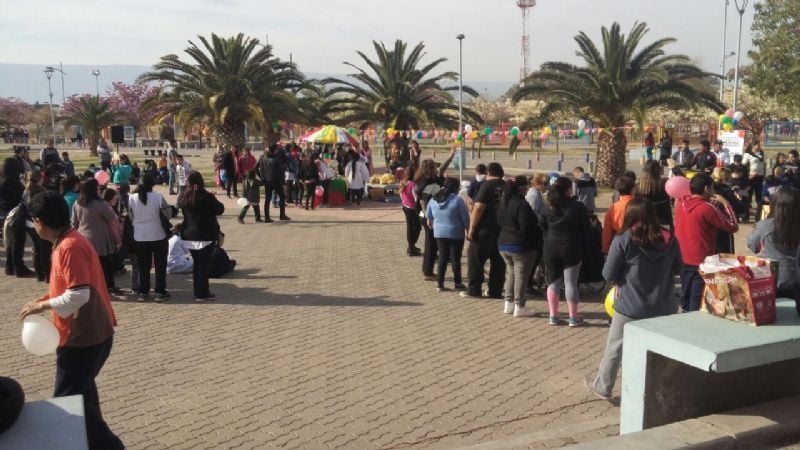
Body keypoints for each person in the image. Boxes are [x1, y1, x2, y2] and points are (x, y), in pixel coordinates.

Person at [19, 190, 124, 450]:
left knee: (65, 403)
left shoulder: (70, 246)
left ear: (40, 222)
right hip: (88, 334)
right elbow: (68, 289)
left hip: (84, 338)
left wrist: (42, 305)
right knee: (83, 400)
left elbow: (78, 295)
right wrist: (43, 301)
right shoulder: (68, 240)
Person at [584, 197, 682, 400]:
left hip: (630, 305)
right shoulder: (670, 239)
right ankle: (658, 390)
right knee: (660, 350)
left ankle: (603, 384)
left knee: (616, 345)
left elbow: (608, 274)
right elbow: (678, 269)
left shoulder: (624, 239)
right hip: (664, 305)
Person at [674, 173, 739, 312]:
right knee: (697, 299)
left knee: (686, 294)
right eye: (712, 188)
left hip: (682, 256)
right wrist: (726, 203)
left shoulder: (680, 203)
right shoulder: (707, 208)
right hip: (702, 260)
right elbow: (733, 226)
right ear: (706, 189)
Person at [541, 176, 591, 326]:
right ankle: (573, 317)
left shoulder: (548, 206)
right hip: (571, 246)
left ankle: (553, 315)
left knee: (553, 282)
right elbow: (586, 228)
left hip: (550, 245)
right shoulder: (578, 206)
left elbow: (542, 225)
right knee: (570, 283)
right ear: (569, 189)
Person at [747, 188, 800, 311]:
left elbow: (752, 244)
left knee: (768, 313)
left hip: (769, 279)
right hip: (796, 279)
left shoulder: (765, 225)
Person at [497, 175, 541, 317]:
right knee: (521, 276)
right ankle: (519, 305)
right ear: (522, 189)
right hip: (520, 245)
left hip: (503, 243)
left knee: (510, 274)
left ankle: (508, 303)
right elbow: (526, 227)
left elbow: (499, 222)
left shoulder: (503, 203)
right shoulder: (522, 205)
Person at [462, 162, 506, 299]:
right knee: (498, 262)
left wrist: (472, 228)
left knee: (476, 259)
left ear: (488, 173)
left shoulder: (486, 185)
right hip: (501, 230)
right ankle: (495, 291)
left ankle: (474, 290)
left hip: (484, 229)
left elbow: (479, 207)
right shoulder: (506, 186)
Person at [179, 172, 225, 301]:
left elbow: (180, 207)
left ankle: (198, 290)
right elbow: (220, 209)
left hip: (189, 234)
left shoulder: (183, 196)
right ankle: (202, 292)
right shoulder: (205, 196)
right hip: (205, 235)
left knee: (197, 264)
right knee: (203, 265)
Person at [71, 178, 122, 295]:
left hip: (84, 237)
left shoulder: (77, 203)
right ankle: (108, 286)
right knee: (105, 265)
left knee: (89, 266)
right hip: (101, 239)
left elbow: (74, 222)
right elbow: (111, 217)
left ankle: (93, 287)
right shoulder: (100, 204)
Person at [128, 175, 171, 302]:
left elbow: (131, 216)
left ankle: (143, 291)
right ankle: (160, 291)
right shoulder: (158, 197)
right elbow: (167, 214)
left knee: (143, 266)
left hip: (140, 235)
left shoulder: (132, 198)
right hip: (157, 234)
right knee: (160, 265)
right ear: (152, 185)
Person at [426, 177, 469, 292]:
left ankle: (440, 283)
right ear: (455, 188)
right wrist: (469, 230)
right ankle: (458, 283)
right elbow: (465, 218)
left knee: (442, 258)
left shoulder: (433, 199)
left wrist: (433, 225)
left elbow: (428, 217)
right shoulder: (457, 200)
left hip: (439, 233)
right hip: (456, 233)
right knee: (455, 259)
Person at [634, 160, 672, 230]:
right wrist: (674, 168)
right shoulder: (664, 185)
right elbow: (685, 184)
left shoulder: (637, 188)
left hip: (643, 224)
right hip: (663, 223)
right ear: (658, 171)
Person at [256, 145, 289, 222]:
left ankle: (267, 217)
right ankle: (282, 215)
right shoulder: (276, 158)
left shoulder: (262, 157)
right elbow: (280, 171)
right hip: (276, 181)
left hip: (267, 181)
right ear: (274, 150)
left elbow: (255, 168)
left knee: (267, 199)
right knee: (282, 196)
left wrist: (262, 177)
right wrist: (283, 177)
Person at [602, 176, 635, 254]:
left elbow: (607, 231)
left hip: (618, 244)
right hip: (638, 243)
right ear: (633, 189)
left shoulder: (613, 208)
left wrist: (606, 249)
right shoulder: (641, 205)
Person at [400, 166, 421, 257]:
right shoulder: (413, 184)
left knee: (409, 226)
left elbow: (401, 195)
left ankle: (411, 245)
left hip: (405, 206)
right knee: (417, 227)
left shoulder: (403, 182)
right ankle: (412, 245)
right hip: (412, 208)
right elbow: (415, 197)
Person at [743, 142, 766, 219]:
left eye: (760, 145)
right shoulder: (748, 154)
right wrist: (749, 174)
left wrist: (764, 174)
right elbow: (743, 166)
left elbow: (764, 164)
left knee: (759, 198)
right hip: (751, 178)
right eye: (758, 145)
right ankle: (746, 216)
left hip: (759, 177)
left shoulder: (761, 153)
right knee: (748, 197)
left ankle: (758, 217)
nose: (760, 146)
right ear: (753, 145)